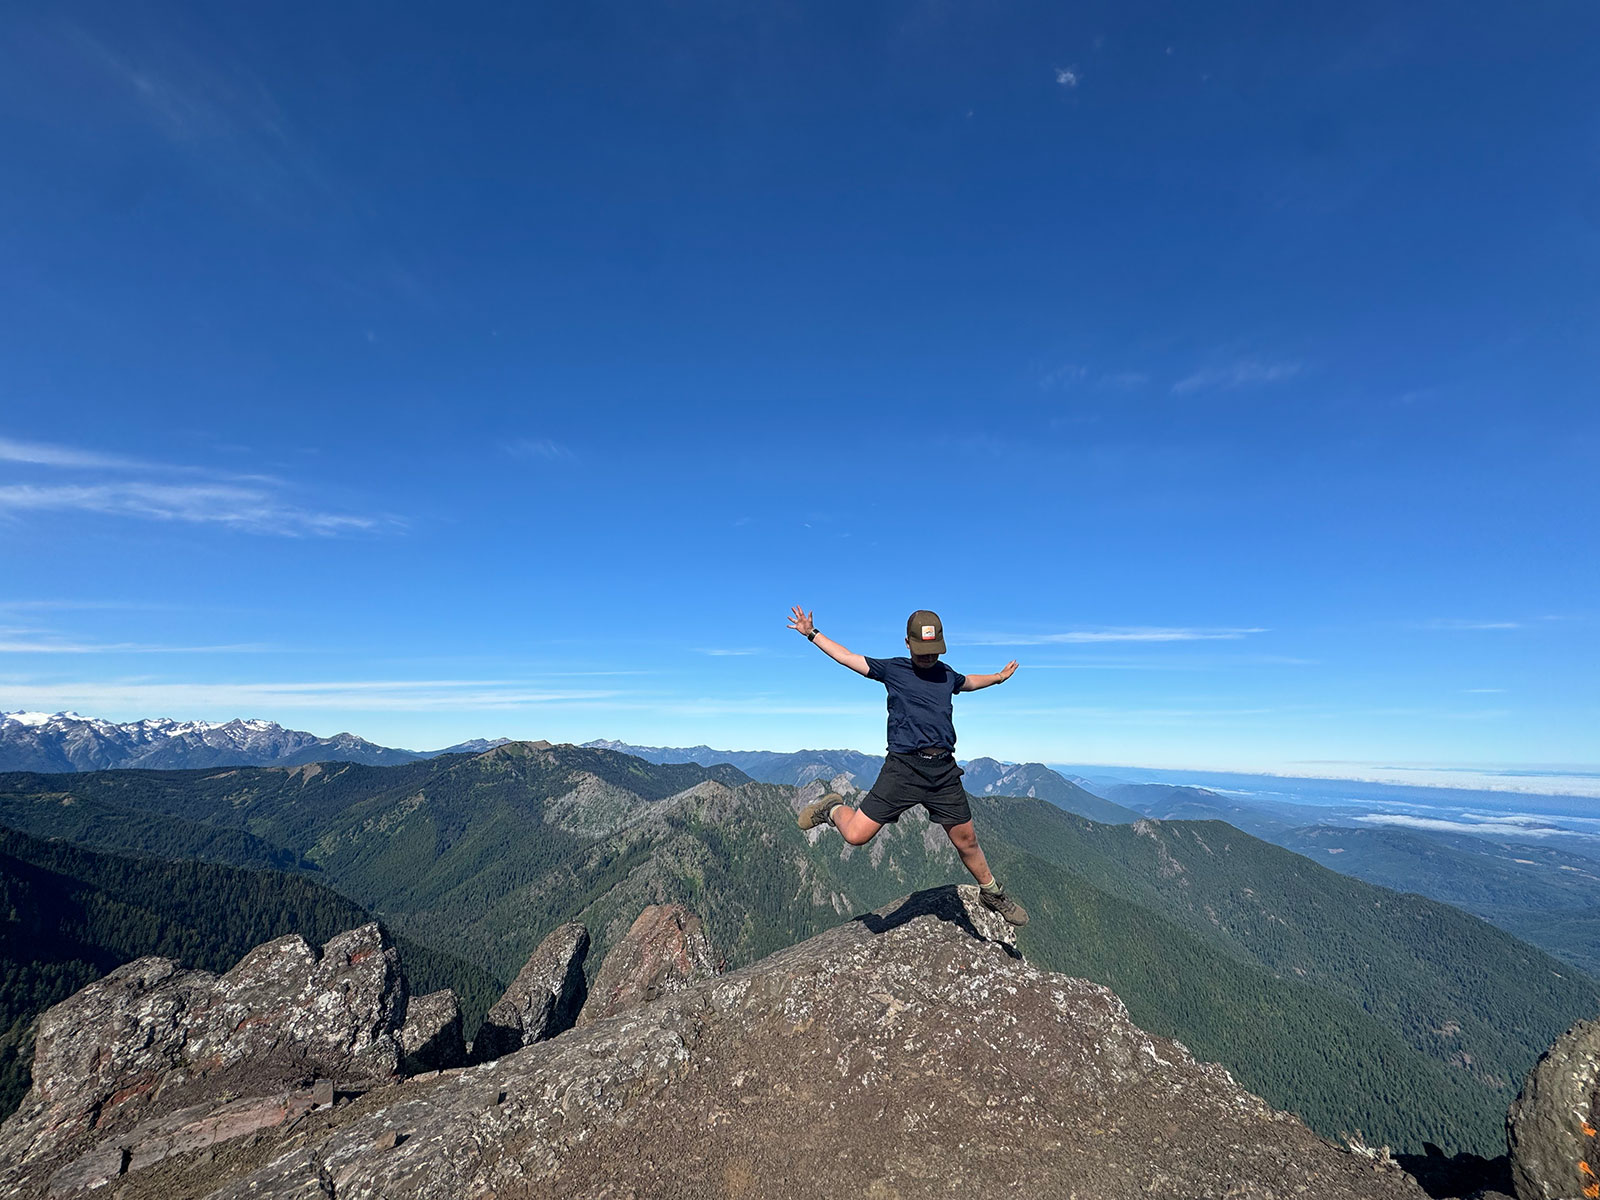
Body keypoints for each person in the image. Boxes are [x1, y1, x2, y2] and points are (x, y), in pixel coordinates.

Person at [785, 605, 1028, 926]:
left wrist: (998, 678)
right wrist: (812, 634)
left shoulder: (946, 674)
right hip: (903, 770)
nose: (928, 657)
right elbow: (847, 657)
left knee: (967, 841)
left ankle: (991, 892)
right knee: (855, 835)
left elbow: (968, 682)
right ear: (907, 643)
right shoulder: (894, 670)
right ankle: (831, 809)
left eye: (934, 651)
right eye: (922, 651)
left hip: (943, 772)